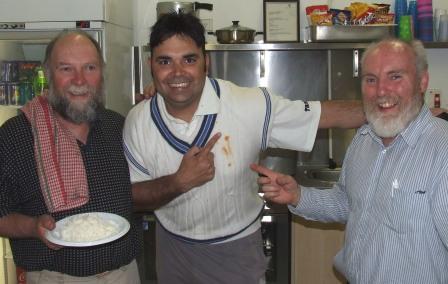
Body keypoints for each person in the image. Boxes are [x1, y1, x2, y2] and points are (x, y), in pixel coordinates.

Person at [124, 13, 364, 284]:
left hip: (235, 251)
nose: (178, 72)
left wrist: (389, 108)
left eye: (189, 59)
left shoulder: (247, 105)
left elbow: (323, 115)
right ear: (151, 66)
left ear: (206, 63)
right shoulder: (139, 120)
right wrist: (179, 182)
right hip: (172, 250)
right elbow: (133, 197)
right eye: (165, 61)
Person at [251, 38, 448, 283]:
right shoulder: (365, 138)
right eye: (371, 79)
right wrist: (298, 195)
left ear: (422, 81)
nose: (381, 91)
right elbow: (347, 202)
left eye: (395, 77)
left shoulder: (442, 150)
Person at [0, 30, 142, 283]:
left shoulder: (117, 126)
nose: (80, 80)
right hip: (53, 278)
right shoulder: (15, 136)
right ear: (48, 74)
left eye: (90, 67)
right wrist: (33, 227)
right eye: (66, 69)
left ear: (101, 74)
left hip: (124, 275)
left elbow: (145, 188)